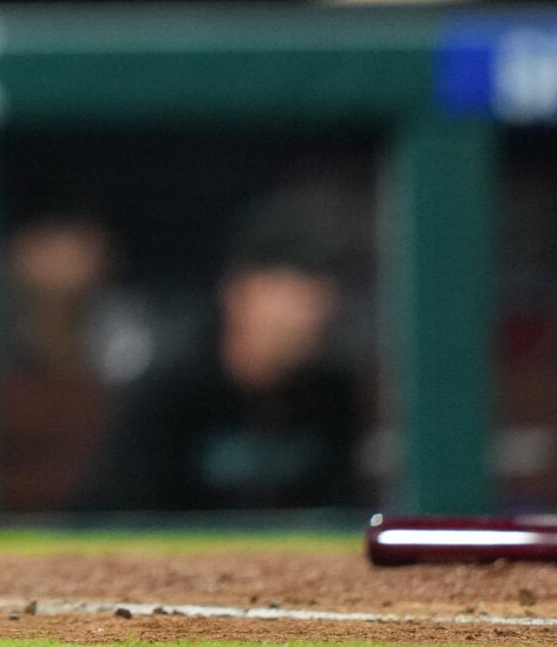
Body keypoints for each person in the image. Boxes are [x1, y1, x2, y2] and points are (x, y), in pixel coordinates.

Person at [81, 200, 363, 512]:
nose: (317, 307)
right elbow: (127, 520)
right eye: (294, 286)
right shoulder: (172, 395)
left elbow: (337, 513)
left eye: (323, 287)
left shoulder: (331, 396)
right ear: (238, 292)